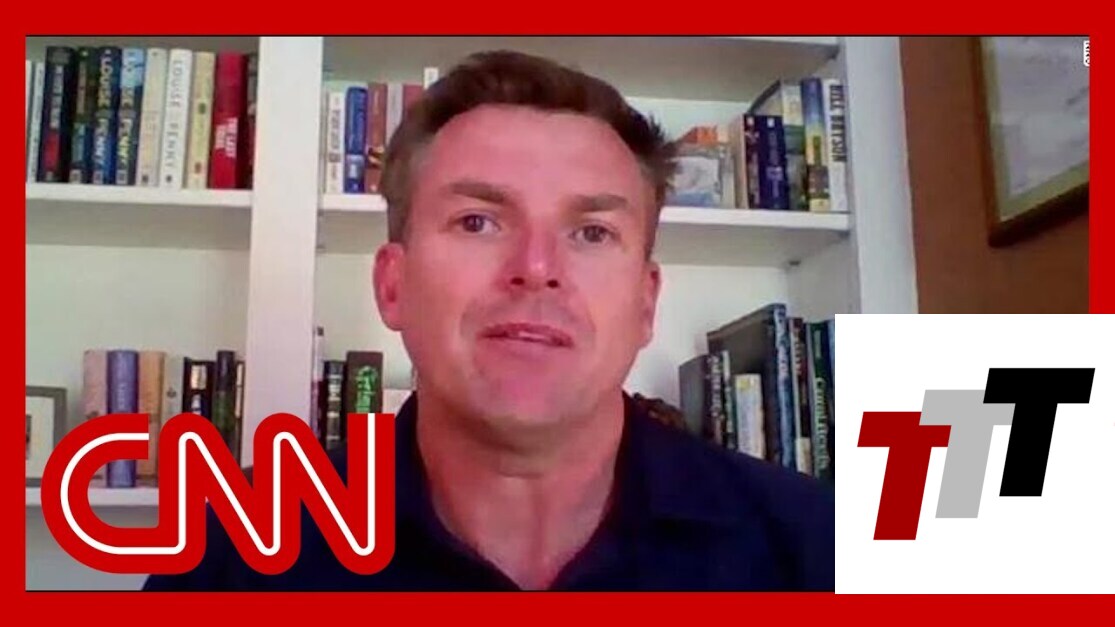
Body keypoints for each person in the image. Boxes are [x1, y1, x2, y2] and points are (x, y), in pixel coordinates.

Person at [142, 49, 834, 592]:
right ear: (393, 285)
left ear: (645, 302)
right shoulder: (227, 555)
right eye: (478, 221)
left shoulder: (821, 549)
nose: (536, 267)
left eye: (591, 232)